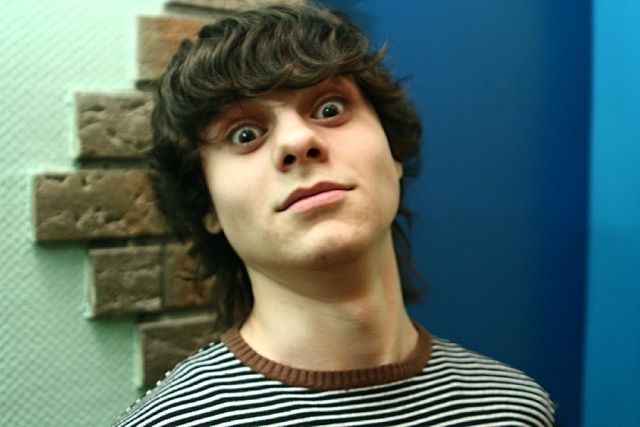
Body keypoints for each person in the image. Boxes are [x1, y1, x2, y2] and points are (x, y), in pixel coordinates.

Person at [114, 3, 555, 426]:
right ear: (206, 205)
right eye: (245, 134)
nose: (297, 141)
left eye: (329, 109)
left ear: (393, 152)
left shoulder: (516, 408)